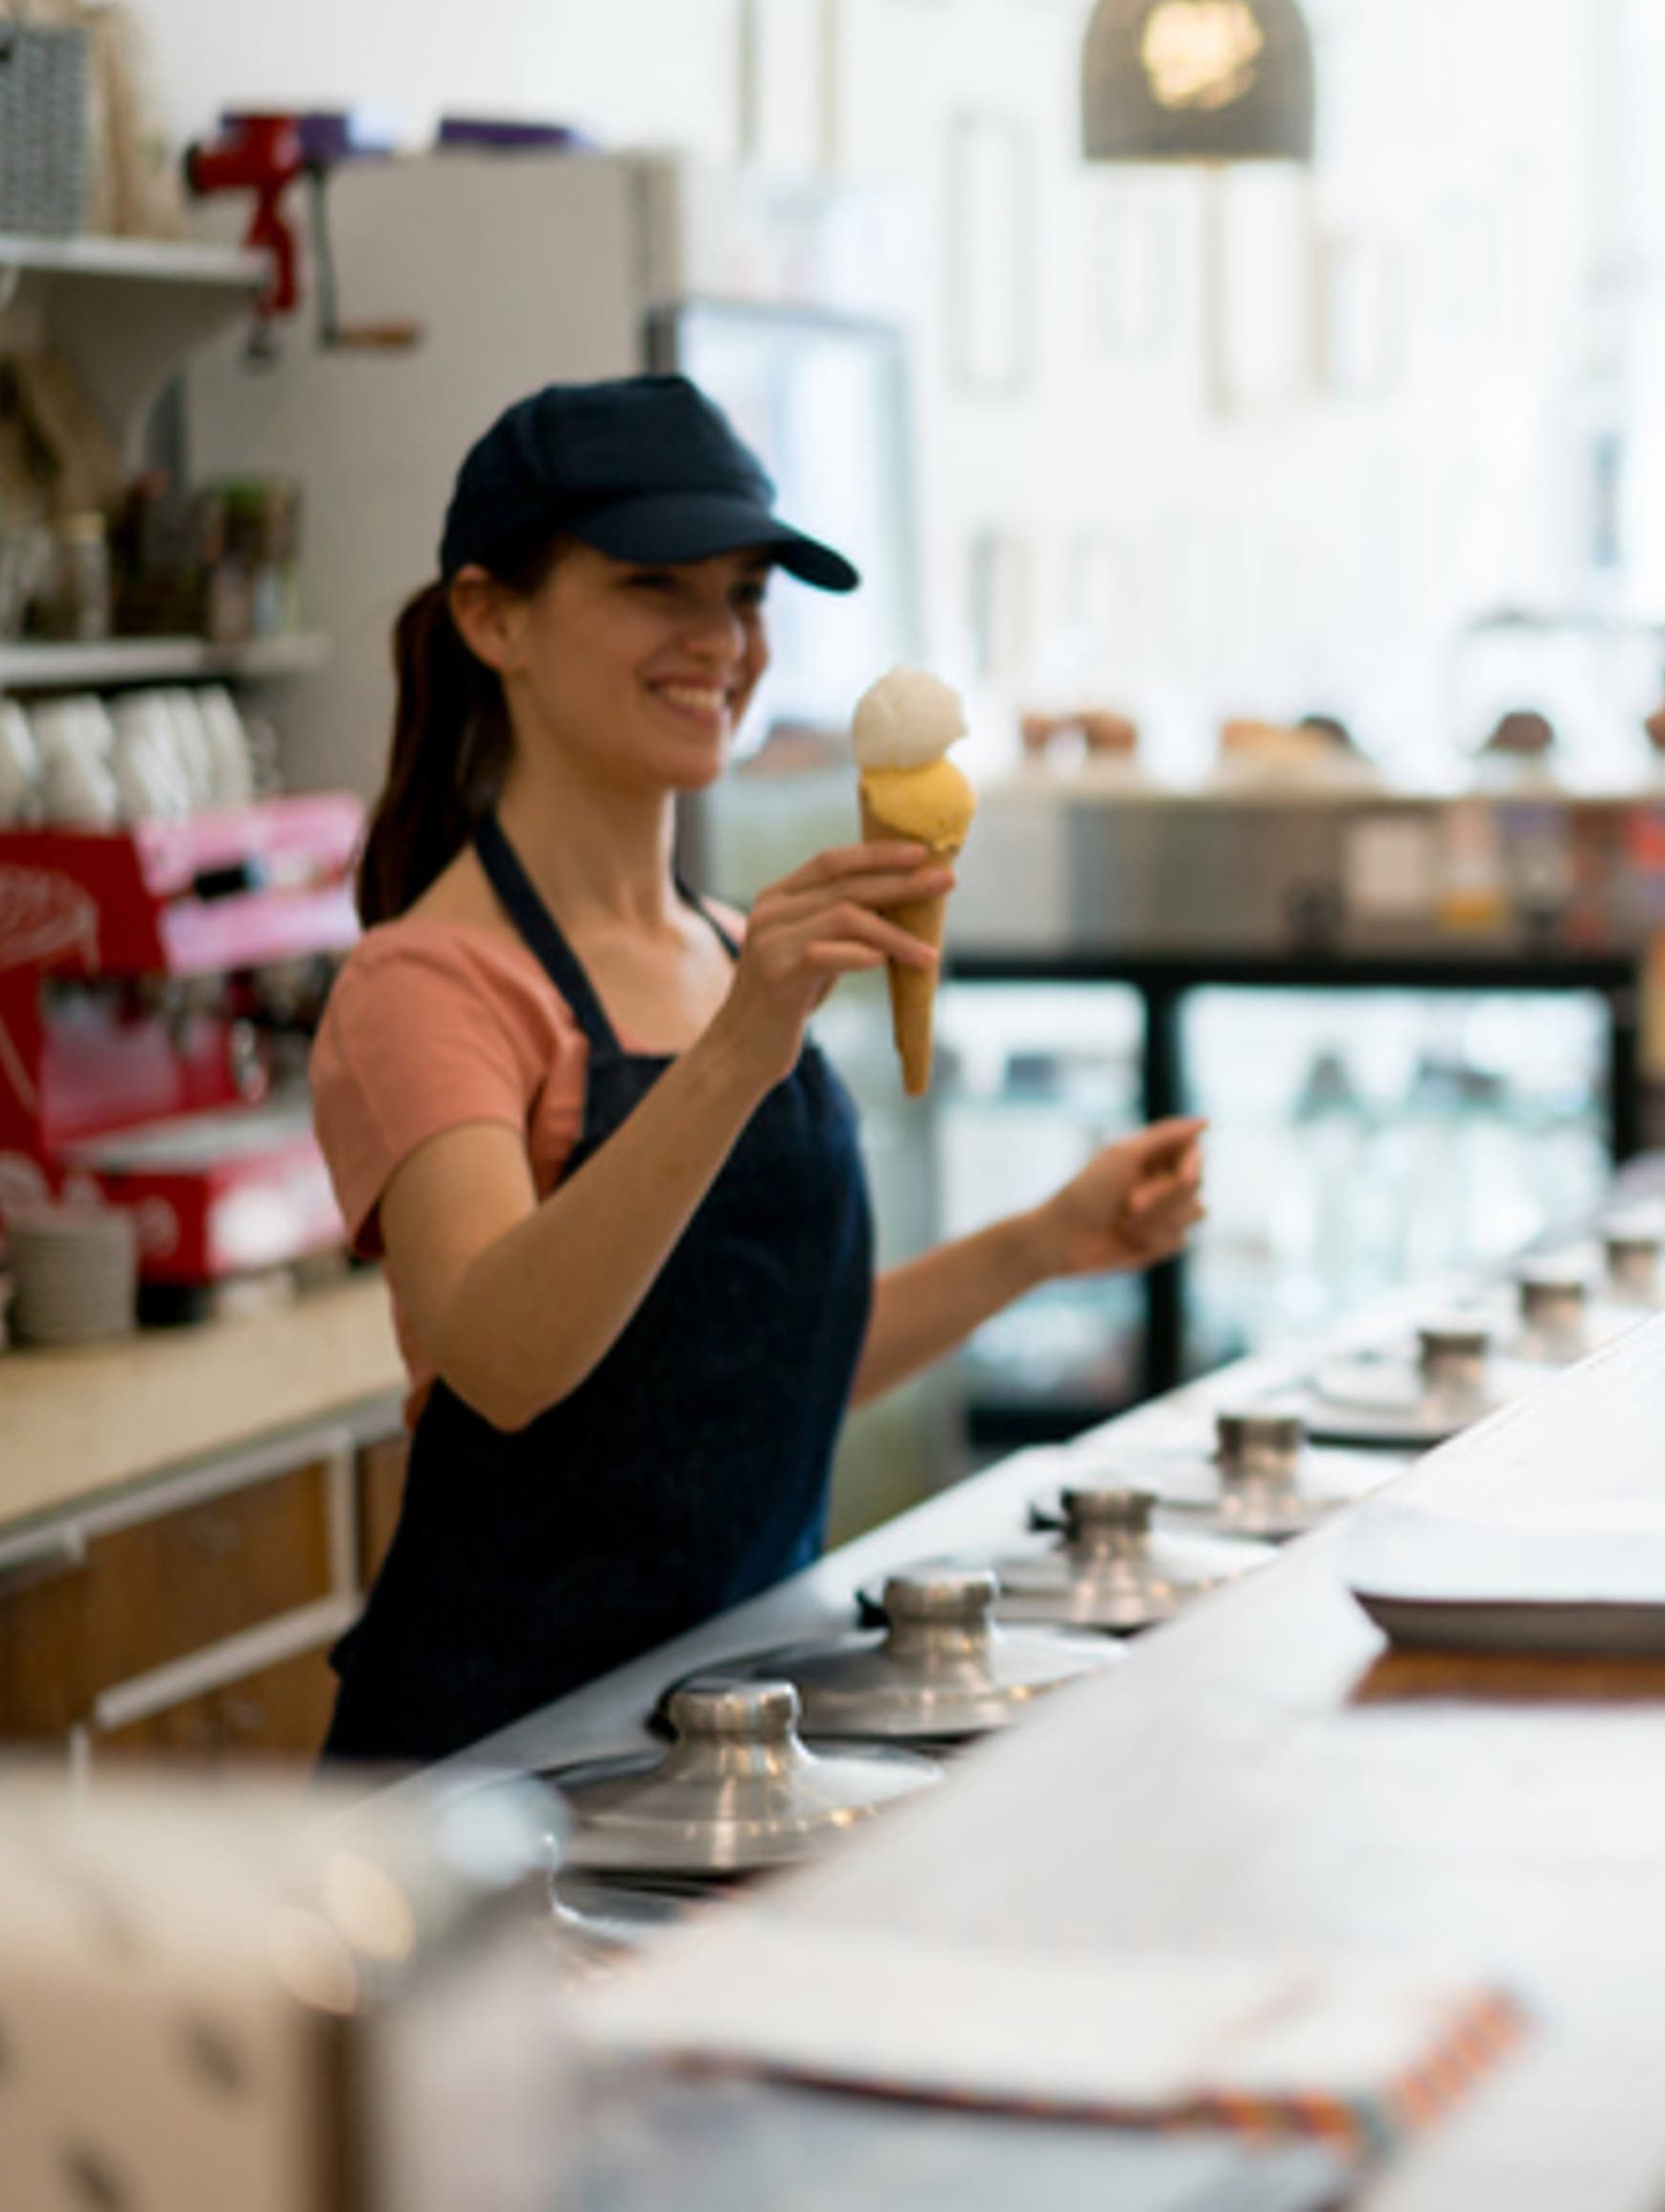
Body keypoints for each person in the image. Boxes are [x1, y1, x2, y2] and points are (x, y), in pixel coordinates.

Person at [312, 376, 1204, 1765]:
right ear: (494, 619)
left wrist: (1041, 1243)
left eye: (741, 594)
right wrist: (741, 1041)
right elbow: (501, 1357)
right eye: (655, 585)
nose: (719, 641)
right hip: (496, 1762)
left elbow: (764, 1365)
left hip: (735, 1723)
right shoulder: (428, 982)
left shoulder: (737, 943)